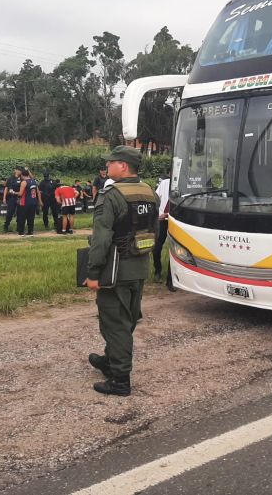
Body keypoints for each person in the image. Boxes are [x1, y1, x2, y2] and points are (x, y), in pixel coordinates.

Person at [85, 146, 158, 397]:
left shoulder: (111, 195)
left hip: (115, 270)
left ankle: (119, 380)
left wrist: (93, 273)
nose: (107, 167)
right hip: (140, 266)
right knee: (127, 318)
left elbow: (101, 239)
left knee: (114, 323)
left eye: (111, 162)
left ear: (123, 166)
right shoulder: (149, 192)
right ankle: (109, 359)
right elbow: (155, 232)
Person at [153, 173, 174, 291]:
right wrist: (157, 214)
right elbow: (155, 198)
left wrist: (170, 214)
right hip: (162, 219)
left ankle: (170, 280)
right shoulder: (165, 183)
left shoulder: (186, 185)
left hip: (174, 220)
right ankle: (157, 270)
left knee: (174, 249)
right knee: (156, 247)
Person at [16, 169, 41, 236]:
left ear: (22, 175)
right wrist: (40, 201)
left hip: (25, 202)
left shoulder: (24, 182)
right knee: (31, 217)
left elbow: (20, 193)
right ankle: (30, 232)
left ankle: (21, 232)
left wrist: (14, 192)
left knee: (22, 217)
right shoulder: (34, 181)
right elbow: (38, 192)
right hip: (33, 201)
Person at [3, 167, 23, 232]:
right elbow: (6, 188)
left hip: (20, 198)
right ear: (15, 170)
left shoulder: (22, 178)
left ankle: (19, 227)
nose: (19, 171)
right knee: (9, 213)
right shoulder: (10, 178)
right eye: (18, 170)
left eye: (20, 170)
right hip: (11, 198)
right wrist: (4, 198)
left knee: (20, 213)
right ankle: (6, 226)